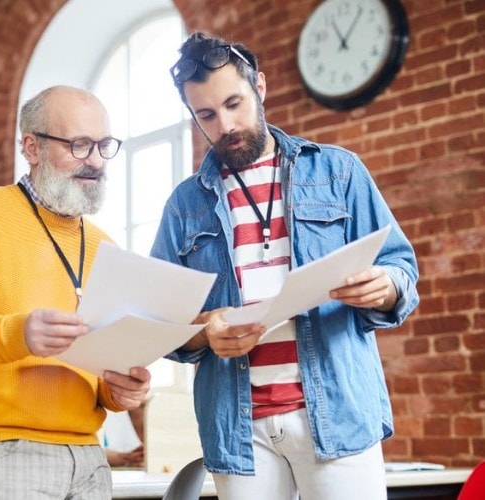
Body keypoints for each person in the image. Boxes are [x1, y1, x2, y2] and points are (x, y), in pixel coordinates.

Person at [150, 32, 419, 500]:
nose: (226, 124)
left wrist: (386, 285)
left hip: (337, 416)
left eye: (235, 103)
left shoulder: (339, 171)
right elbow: (160, 324)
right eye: (207, 115)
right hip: (239, 431)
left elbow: (400, 266)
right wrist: (204, 330)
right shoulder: (183, 206)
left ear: (261, 87)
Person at [0, 85, 151, 500]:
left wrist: (118, 392)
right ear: (32, 147)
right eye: (79, 145)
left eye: (103, 145)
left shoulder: (105, 245)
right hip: (0, 453)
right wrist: (19, 333)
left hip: (90, 458)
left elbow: (98, 370)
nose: (96, 160)